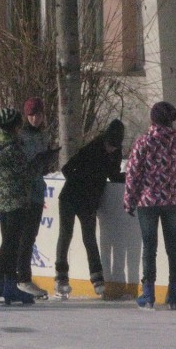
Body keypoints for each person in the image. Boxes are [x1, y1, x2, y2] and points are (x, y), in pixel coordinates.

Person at [123, 101, 176, 310]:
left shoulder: (144, 142)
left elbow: (133, 173)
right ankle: (174, 295)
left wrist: (129, 200)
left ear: (152, 119)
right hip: (172, 200)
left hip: (148, 200)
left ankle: (149, 294)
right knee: (173, 247)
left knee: (149, 248)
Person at [54, 119, 126, 298]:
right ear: (105, 140)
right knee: (66, 234)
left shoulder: (115, 153)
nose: (111, 149)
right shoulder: (91, 148)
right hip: (70, 197)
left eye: (115, 146)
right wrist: (83, 181)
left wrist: (131, 177)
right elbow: (67, 169)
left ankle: (97, 278)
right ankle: (61, 278)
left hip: (89, 202)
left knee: (89, 238)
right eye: (109, 144)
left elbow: (114, 175)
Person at [0, 107, 35, 305]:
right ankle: (9, 287)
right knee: (11, 245)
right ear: (13, 125)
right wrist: (40, 161)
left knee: (7, 242)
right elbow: (25, 170)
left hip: (2, 200)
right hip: (15, 199)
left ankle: (0, 285)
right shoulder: (11, 148)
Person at [16, 98, 60, 299]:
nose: (36, 118)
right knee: (24, 236)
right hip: (24, 192)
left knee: (30, 235)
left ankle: (23, 277)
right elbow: (23, 164)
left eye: (39, 114)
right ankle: (22, 277)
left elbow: (42, 167)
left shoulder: (43, 135)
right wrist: (38, 161)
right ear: (26, 116)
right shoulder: (21, 136)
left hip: (36, 191)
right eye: (32, 115)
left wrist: (49, 159)